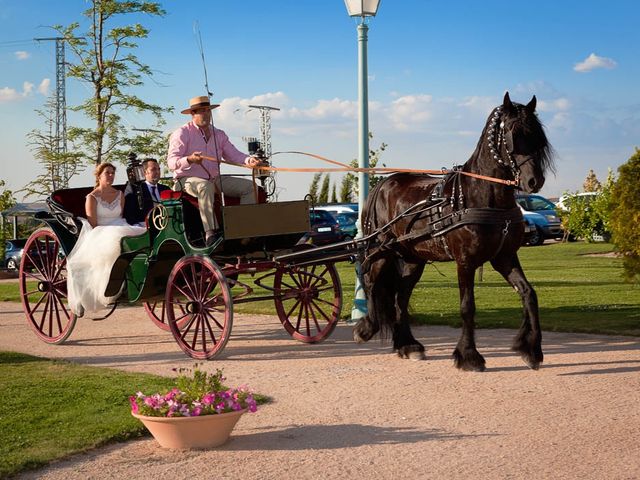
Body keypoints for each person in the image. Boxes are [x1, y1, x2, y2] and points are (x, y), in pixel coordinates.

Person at [167, 95, 263, 246]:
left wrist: (249, 160)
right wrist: (190, 159)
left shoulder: (219, 134)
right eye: (201, 111)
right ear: (193, 114)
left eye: (208, 111)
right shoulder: (182, 133)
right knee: (206, 186)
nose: (206, 114)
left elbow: (234, 154)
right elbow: (171, 163)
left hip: (214, 178)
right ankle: (211, 234)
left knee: (250, 187)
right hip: (185, 180)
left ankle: (242, 230)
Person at [66, 162, 146, 316]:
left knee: (141, 234)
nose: (110, 176)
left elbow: (121, 217)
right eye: (107, 173)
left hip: (120, 225)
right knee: (116, 239)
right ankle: (114, 284)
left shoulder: (119, 194)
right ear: (99, 176)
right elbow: (94, 224)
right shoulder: (91, 197)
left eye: (112, 173)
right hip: (101, 230)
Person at [123, 158, 170, 226]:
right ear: (144, 172)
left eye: (158, 169)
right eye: (153, 169)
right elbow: (128, 213)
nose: (157, 172)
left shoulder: (166, 189)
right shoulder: (135, 189)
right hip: (143, 227)